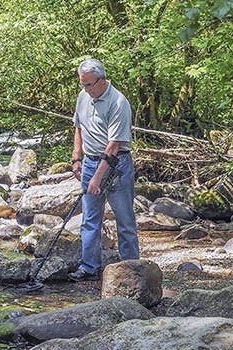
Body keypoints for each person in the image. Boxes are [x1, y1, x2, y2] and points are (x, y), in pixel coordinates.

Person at [68, 58, 139, 281]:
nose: (86, 90)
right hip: (89, 161)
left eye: (89, 84)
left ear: (102, 79)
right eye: (82, 85)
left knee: (124, 219)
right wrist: (76, 159)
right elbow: (78, 127)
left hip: (116, 164)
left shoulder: (118, 103)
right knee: (90, 218)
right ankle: (89, 267)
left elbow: (114, 145)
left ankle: (132, 269)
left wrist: (97, 179)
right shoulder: (83, 96)